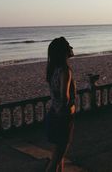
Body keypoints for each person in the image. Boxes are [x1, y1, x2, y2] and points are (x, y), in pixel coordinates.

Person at [45, 37, 76, 172]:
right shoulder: (65, 70)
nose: (71, 48)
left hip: (53, 114)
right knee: (56, 159)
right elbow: (65, 97)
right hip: (62, 117)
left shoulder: (53, 69)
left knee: (58, 156)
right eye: (69, 45)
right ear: (63, 51)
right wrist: (72, 106)